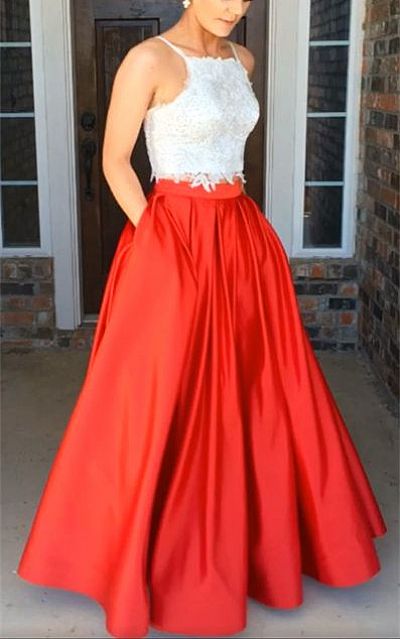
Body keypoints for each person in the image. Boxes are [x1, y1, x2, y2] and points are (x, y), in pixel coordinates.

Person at [17, 1, 387, 638]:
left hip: (241, 236)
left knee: (261, 388)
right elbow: (114, 162)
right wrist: (159, 244)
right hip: (172, 236)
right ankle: (142, 554)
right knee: (160, 394)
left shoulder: (242, 59)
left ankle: (259, 545)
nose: (235, 6)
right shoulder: (147, 59)